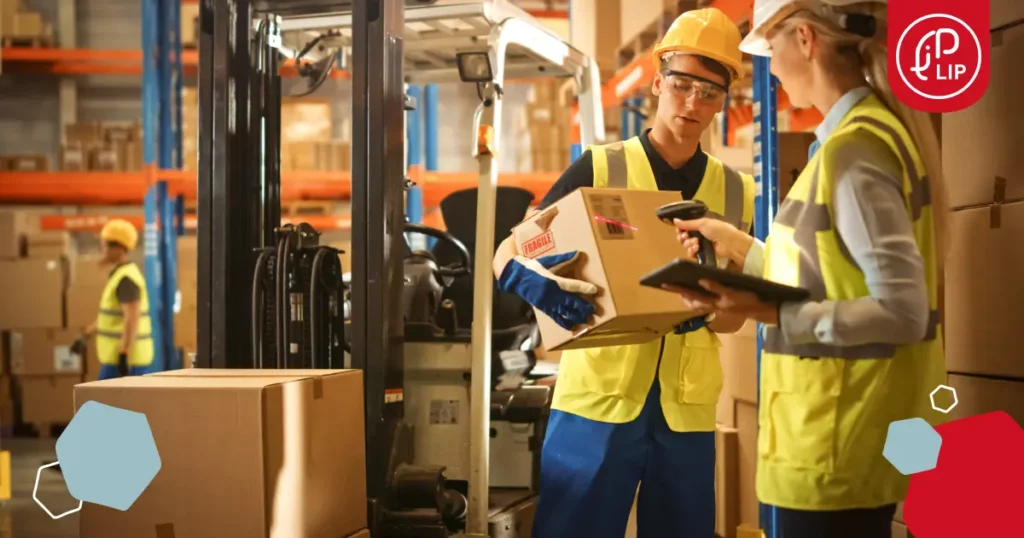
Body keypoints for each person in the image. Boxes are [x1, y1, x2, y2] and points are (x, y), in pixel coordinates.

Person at [670, 1, 948, 536]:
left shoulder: (856, 151)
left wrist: (769, 309)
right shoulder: (855, 141)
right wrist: (736, 246)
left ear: (804, 39)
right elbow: (825, 272)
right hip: (836, 439)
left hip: (837, 445)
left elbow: (904, 311)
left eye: (770, 49)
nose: (770, 68)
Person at [491, 8, 756, 537]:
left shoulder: (736, 192)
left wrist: (708, 313)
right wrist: (532, 281)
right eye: (682, 84)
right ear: (657, 82)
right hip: (598, 405)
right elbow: (509, 251)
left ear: (724, 101)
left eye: (710, 93)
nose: (693, 103)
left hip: (686, 412)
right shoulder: (600, 166)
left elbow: (733, 322)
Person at [74, 219, 154, 380]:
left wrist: (124, 354)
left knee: (106, 403)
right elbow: (110, 317)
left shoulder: (126, 279)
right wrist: (86, 334)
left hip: (127, 360)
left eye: (105, 244)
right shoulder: (119, 275)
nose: (101, 249)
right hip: (119, 358)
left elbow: (132, 319)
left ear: (119, 247)